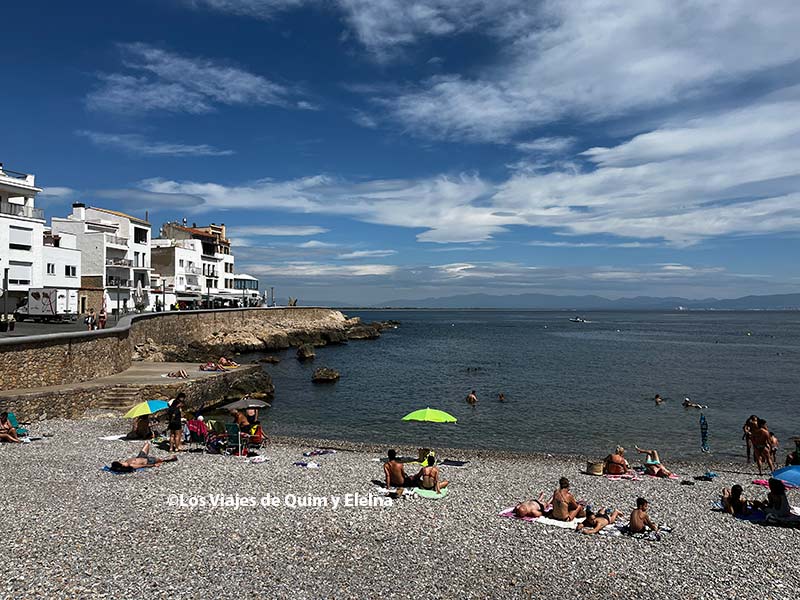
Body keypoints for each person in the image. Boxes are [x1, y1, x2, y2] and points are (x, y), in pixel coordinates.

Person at [109, 441, 177, 473]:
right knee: (162, 460)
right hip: (148, 460)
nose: (119, 461)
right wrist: (153, 465)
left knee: (147, 443)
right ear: (119, 464)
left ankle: (168, 458)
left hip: (140, 456)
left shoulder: (125, 462)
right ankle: (171, 459)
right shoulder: (130, 465)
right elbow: (142, 466)